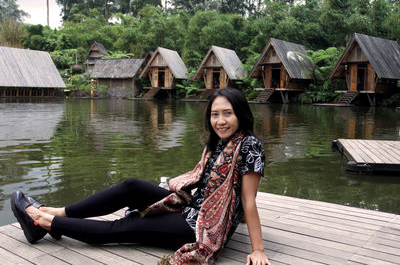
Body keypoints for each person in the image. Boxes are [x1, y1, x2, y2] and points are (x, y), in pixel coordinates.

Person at [11, 87, 270, 265]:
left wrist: (258, 249)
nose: (220, 121)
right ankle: (57, 212)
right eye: (215, 114)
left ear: (241, 114)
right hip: (192, 208)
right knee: (132, 186)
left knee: (124, 228)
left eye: (227, 113)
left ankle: (41, 222)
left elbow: (248, 200)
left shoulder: (249, 146)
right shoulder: (218, 143)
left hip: (203, 228)